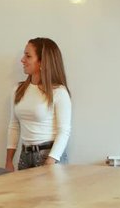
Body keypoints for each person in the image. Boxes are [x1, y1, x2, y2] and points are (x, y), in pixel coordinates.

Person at [5, 37, 72, 171]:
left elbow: (64, 131)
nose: (22, 59)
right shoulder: (18, 90)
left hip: (49, 156)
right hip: (25, 156)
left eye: (28, 56)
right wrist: (9, 161)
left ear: (42, 62)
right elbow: (14, 125)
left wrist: (50, 161)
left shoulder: (59, 92)